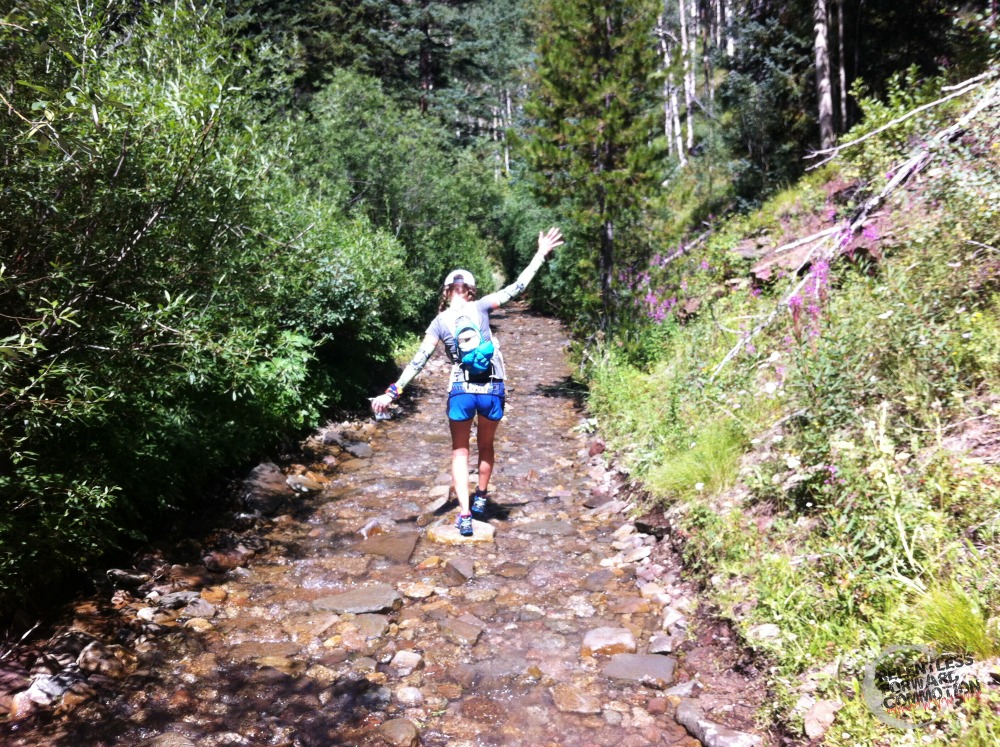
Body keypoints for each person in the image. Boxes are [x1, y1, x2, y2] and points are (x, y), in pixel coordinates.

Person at [371, 227, 564, 536]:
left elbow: (419, 360)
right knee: (486, 445)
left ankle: (463, 515)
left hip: (461, 390)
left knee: (460, 451)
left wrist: (392, 392)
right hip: (492, 387)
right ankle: (482, 498)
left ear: (447, 291)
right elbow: (518, 286)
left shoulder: (438, 323)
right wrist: (541, 253)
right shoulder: (482, 306)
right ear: (471, 290)